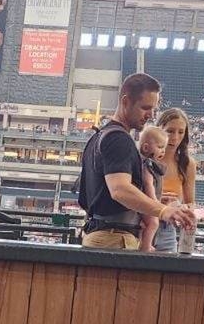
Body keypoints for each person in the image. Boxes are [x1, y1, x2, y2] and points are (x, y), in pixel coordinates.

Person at [79, 73, 193, 250]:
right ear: (125, 101)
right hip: (114, 238)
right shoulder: (119, 139)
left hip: (103, 234)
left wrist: (154, 201)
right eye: (145, 107)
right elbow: (120, 190)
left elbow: (106, 195)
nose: (151, 115)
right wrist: (163, 211)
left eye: (153, 109)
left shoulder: (102, 135)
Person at [153, 107, 197, 254]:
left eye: (181, 132)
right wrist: (158, 201)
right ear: (160, 130)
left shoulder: (188, 164)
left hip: (167, 229)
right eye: (170, 131)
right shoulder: (145, 159)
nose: (175, 137)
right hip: (141, 225)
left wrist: (182, 208)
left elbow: (190, 203)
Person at [136, 123, 168, 253]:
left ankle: (143, 243)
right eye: (160, 147)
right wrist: (155, 204)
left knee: (146, 225)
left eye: (164, 148)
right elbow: (148, 185)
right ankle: (146, 246)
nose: (163, 151)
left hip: (145, 202)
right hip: (147, 202)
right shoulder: (147, 165)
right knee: (153, 223)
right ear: (146, 147)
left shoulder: (150, 164)